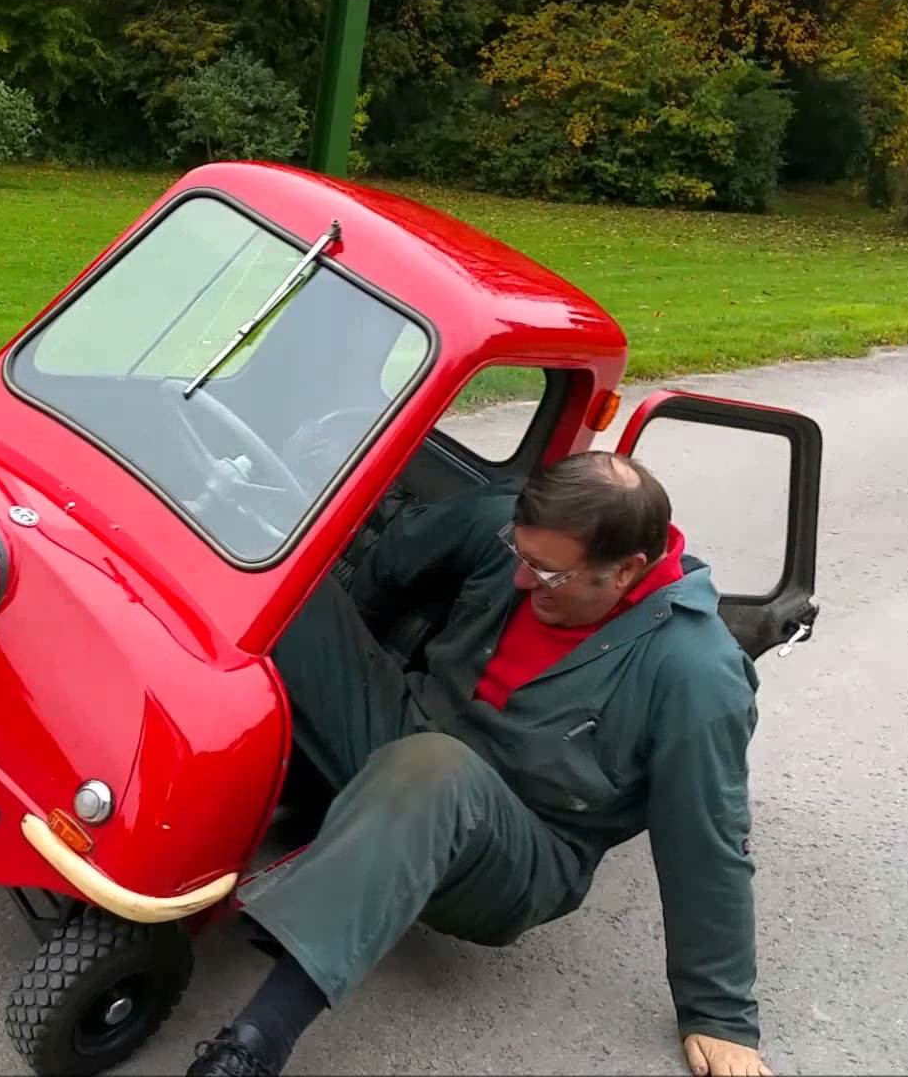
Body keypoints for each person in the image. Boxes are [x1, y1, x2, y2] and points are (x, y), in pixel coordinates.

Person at [186, 451, 773, 1077]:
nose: (522, 581)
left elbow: (706, 840)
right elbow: (382, 577)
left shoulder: (696, 672)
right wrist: (336, 680)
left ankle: (254, 1045)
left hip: (517, 848)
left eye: (548, 576)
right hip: (410, 732)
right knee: (285, 581)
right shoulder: (509, 533)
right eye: (521, 557)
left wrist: (719, 1015)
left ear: (626, 571)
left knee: (436, 769)